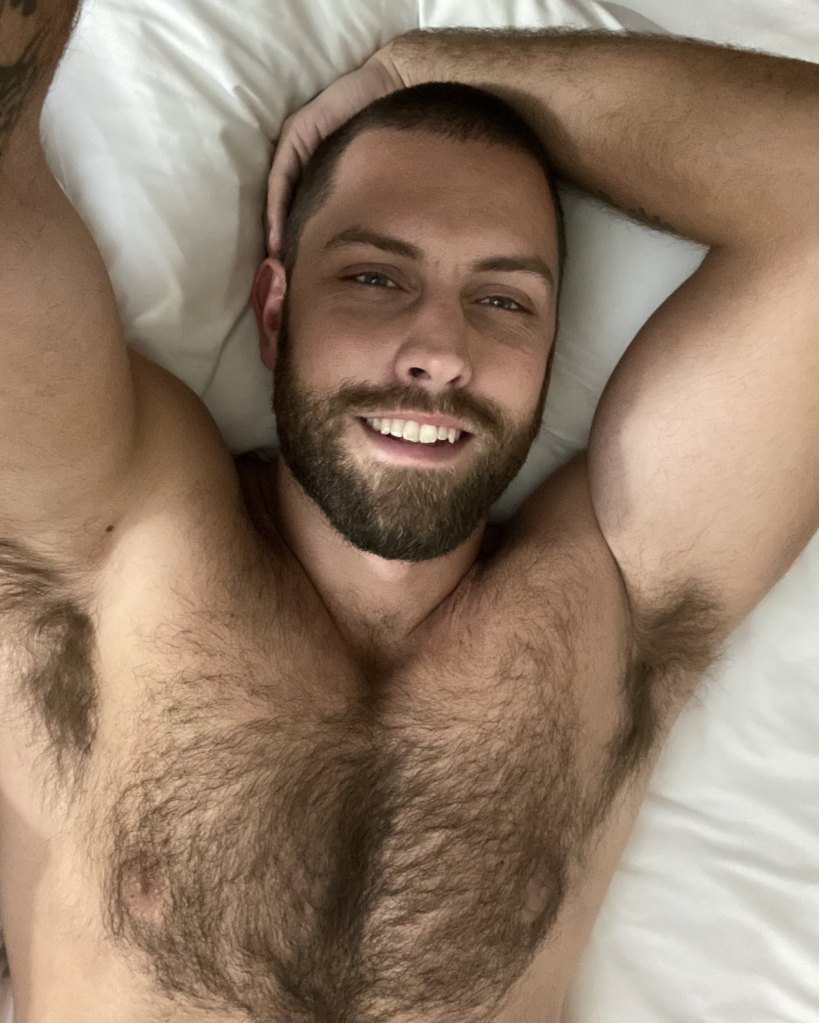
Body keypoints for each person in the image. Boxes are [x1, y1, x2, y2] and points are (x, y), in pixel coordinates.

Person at [0, 2, 816, 1020]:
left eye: (503, 300)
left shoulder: (615, 609)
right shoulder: (102, 542)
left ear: (548, 356)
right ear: (274, 310)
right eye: (376, 277)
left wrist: (417, 72)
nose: (440, 351)